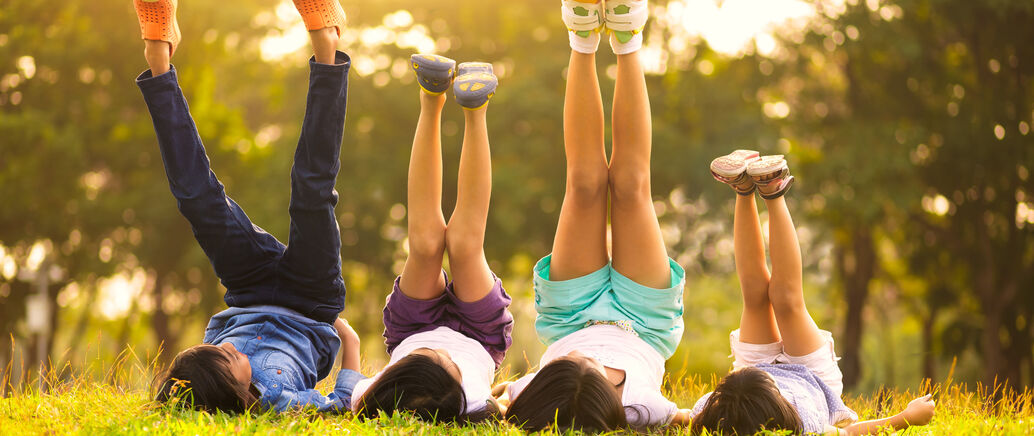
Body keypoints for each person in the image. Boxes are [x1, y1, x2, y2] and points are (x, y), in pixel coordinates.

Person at [138, 0, 364, 412]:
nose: (225, 350)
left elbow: (187, 381)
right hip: (311, 301)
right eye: (227, 358)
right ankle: (327, 49)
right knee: (311, 192)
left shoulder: (198, 382)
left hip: (246, 288)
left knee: (197, 200)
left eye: (218, 352)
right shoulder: (279, 404)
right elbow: (344, 403)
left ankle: (159, 57)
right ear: (237, 392)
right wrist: (350, 341)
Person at [500, 0, 692, 430]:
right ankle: (627, 38)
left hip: (570, 316)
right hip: (644, 323)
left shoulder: (531, 396)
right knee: (630, 187)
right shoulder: (641, 408)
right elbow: (693, 417)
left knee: (585, 184)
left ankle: (582, 36)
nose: (587, 363)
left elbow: (488, 398)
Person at [689, 151, 936, 435]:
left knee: (755, 296)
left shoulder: (713, 414)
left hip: (746, 390)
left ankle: (744, 189)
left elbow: (682, 417)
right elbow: (853, 433)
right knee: (786, 300)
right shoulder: (806, 425)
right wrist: (907, 417)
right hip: (811, 377)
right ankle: (772, 190)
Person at [344, 54, 514, 422]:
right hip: (480, 334)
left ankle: (432, 95)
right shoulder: (471, 404)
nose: (443, 352)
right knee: (465, 245)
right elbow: (506, 406)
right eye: (448, 364)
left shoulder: (370, 396)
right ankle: (475, 107)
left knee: (424, 244)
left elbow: (345, 389)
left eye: (431, 357)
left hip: (411, 328)